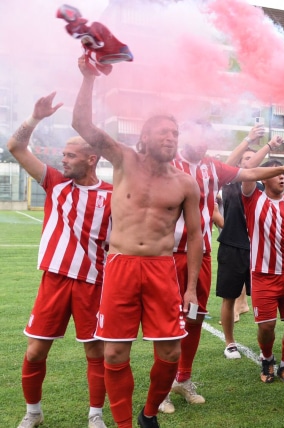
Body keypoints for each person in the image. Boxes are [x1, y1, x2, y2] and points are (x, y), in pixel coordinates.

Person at [73, 58, 202, 428]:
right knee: (114, 352)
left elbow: (195, 236)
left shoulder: (185, 183)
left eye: (174, 134)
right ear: (144, 137)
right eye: (163, 132)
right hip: (122, 265)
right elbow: (82, 124)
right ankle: (125, 424)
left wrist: (190, 288)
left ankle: (148, 414)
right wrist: (87, 78)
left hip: (162, 268)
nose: (170, 138)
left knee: (171, 351)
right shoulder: (124, 159)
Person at [160, 121, 284, 413]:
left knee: (194, 319)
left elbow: (248, 172)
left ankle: (183, 379)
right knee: (169, 323)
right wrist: (252, 141)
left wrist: (282, 168)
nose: (205, 142)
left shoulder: (211, 167)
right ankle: (161, 390)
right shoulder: (168, 162)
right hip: (167, 254)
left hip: (202, 255)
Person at [10, 93, 112, 428]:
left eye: (70, 155)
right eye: (63, 154)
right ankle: (33, 413)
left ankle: (95, 416)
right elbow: (16, 147)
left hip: (93, 283)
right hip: (54, 280)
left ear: (92, 159)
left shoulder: (113, 193)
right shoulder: (54, 182)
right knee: (36, 351)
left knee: (95, 352)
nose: (63, 159)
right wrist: (34, 118)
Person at [240, 159, 284, 385]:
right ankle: (267, 358)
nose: (282, 177)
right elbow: (248, 171)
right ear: (265, 177)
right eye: (277, 173)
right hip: (262, 275)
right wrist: (283, 166)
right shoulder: (253, 198)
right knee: (267, 326)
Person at [216, 135, 284, 360]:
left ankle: (265, 345)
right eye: (245, 159)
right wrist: (260, 143)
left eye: (252, 158)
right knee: (229, 297)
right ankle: (230, 342)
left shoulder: (263, 187)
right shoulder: (229, 181)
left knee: (262, 298)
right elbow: (244, 166)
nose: (249, 162)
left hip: (259, 248)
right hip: (232, 246)